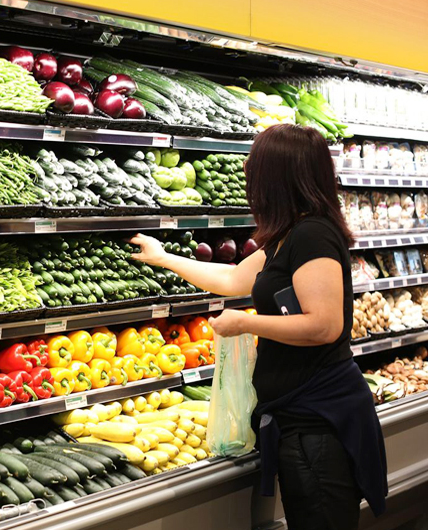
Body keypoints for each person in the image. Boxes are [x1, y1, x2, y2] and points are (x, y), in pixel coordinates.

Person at [130, 124, 387, 530]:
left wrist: (245, 323)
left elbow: (324, 325)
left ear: (277, 176)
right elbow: (232, 279)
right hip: (300, 417)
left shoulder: (313, 236)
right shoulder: (289, 236)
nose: (248, 171)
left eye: (256, 164)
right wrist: (163, 258)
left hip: (319, 422)